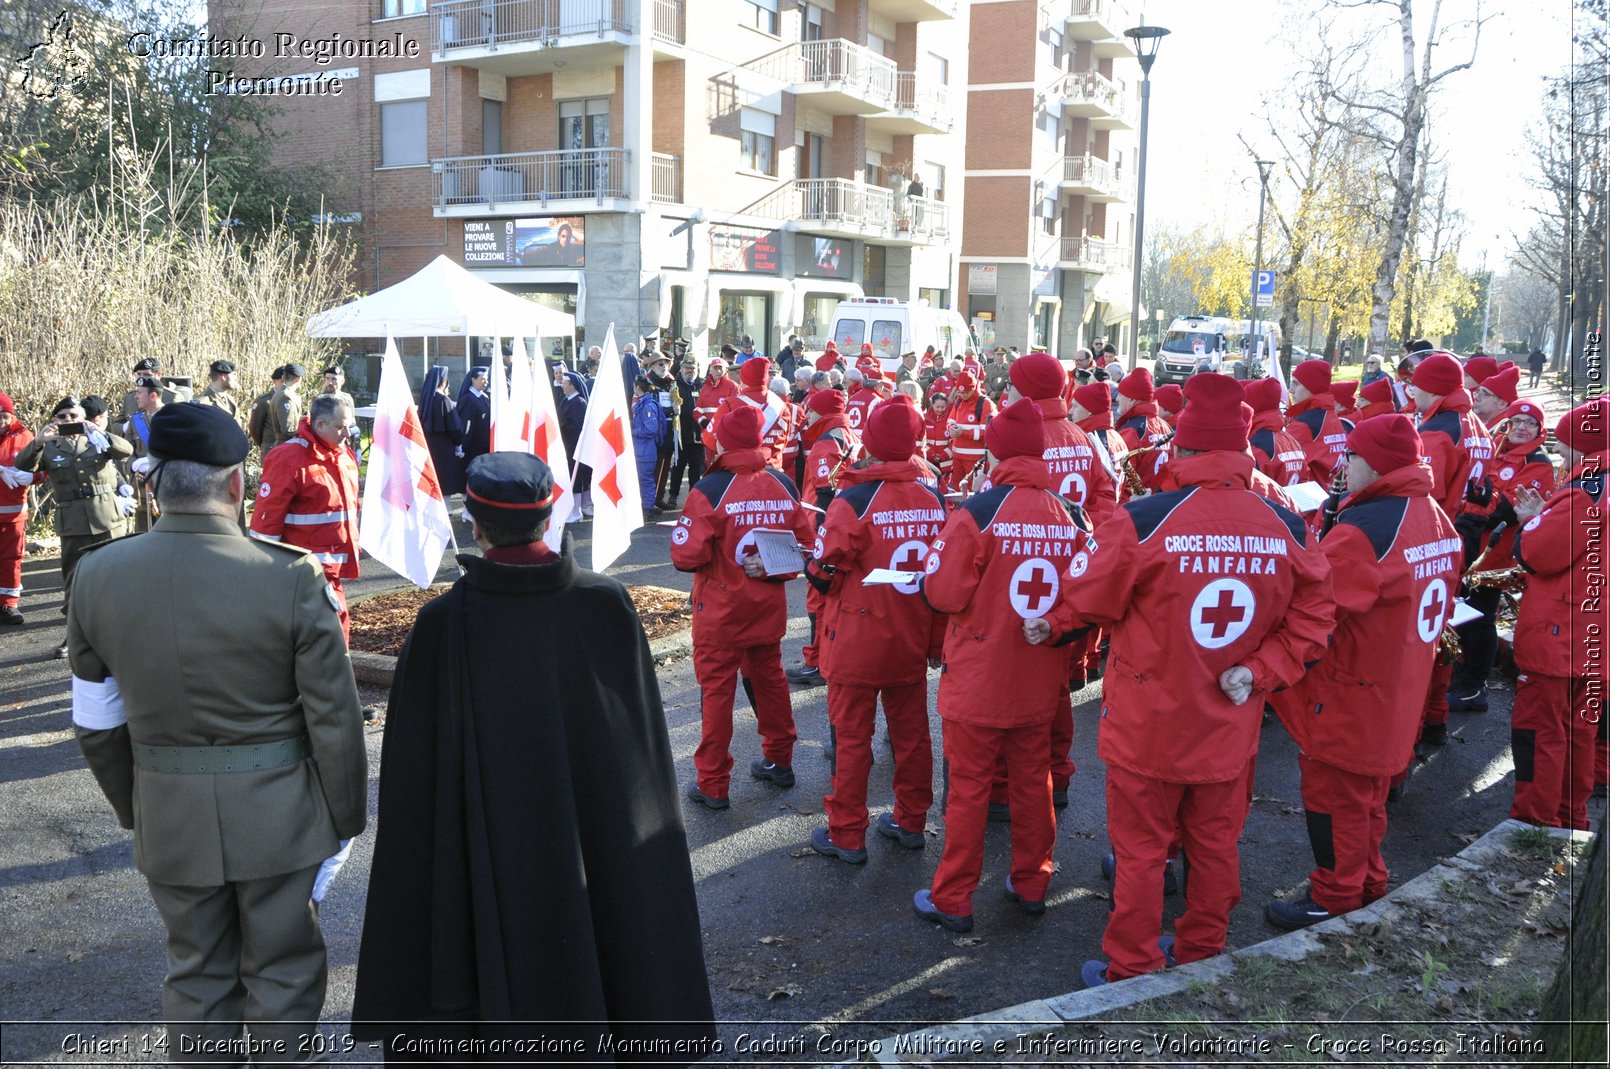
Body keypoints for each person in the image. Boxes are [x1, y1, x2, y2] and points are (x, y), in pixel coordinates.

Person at [352, 452, 716, 1062]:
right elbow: (637, 763)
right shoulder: (605, 606)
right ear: (549, 519)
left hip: (486, 855)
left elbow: (418, 785)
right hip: (596, 845)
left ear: (477, 526)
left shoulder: (444, 623)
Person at [66, 402, 365, 1061]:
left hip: (169, 813)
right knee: (283, 971)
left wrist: (138, 806)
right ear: (237, 484)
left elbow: (95, 721)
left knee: (197, 971)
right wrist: (342, 818)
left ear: (152, 484)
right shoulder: (289, 574)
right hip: (282, 815)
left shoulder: (95, 575)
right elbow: (335, 719)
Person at [1025, 373, 1333, 985]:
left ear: (1184, 451)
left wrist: (1056, 621)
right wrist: (1260, 670)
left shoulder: (1143, 522)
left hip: (1149, 721)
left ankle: (1132, 965)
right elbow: (1317, 616)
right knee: (1216, 845)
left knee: (1140, 852)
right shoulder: (1288, 526)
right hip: (1229, 719)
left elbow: (1094, 598)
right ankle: (1202, 956)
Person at [1265, 415, 1459, 929]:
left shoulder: (1366, 530)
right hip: (1401, 681)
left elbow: (1314, 603)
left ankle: (1335, 894)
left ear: (1375, 463)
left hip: (1354, 686)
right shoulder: (1433, 514)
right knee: (1369, 796)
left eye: (1351, 457)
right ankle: (1369, 878)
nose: (1344, 466)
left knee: (1336, 797)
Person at [913, 398, 1095, 933]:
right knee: (1033, 782)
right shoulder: (1072, 514)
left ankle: (954, 897)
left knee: (968, 790)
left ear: (994, 450)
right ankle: (1033, 881)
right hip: (1039, 678)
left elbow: (942, 593)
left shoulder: (978, 512)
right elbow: (1088, 597)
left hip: (979, 677)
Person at [806, 399, 944, 864]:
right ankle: (911, 820)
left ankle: (846, 832)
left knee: (851, 737)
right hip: (912, 633)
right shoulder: (934, 497)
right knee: (912, 735)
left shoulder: (853, 501)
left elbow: (824, 573)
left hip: (858, 639)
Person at [673, 406, 816, 808]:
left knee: (717, 691)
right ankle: (779, 759)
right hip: (766, 608)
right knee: (769, 680)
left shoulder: (710, 489)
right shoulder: (782, 483)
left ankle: (713, 782)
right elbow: (806, 548)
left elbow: (685, 556)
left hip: (720, 610)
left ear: (721, 440)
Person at [1507, 399, 1604, 830]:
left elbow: (1539, 554)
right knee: (1580, 732)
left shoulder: (1586, 493)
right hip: (1594, 635)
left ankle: (1534, 821)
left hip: (1560, 636)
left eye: (1566, 446)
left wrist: (1531, 520)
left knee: (1539, 731)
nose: (1560, 454)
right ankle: (1570, 816)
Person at [1406, 351, 1492, 749]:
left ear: (1432, 391)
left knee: (1425, 632)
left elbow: (1427, 493)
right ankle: (1436, 715)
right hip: (1466, 536)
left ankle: (1419, 720)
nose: (1409, 391)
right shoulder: (1475, 424)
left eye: (1415, 386)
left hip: (1438, 536)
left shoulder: (1438, 432)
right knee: (1444, 626)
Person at [1446, 398, 1554, 712]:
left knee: (1480, 619)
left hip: (1495, 556)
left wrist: (1474, 505)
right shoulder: (1496, 448)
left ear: (1538, 429)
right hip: (1471, 547)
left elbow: (1506, 510)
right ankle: (1461, 675)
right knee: (1464, 616)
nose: (1521, 427)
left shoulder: (1538, 462)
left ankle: (1474, 688)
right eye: (1516, 421)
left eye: (1529, 423)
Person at [15, 396, 132, 651]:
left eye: (74, 416)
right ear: (55, 420)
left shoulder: (97, 438)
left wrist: (101, 433)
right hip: (73, 522)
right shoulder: (50, 446)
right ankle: (76, 636)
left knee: (115, 577)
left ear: (84, 418)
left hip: (107, 518)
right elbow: (22, 465)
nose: (69, 420)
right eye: (63, 417)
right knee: (74, 581)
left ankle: (120, 634)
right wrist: (37, 442)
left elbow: (126, 451)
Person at [251, 393, 361, 640]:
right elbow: (266, 524)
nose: (347, 434)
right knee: (325, 642)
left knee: (333, 637)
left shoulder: (342, 455)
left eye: (349, 426)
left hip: (329, 570)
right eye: (341, 427)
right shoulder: (288, 458)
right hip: (303, 574)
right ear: (319, 424)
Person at [787, 388, 861, 689]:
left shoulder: (826, 443)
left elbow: (824, 496)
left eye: (813, 411)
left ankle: (816, 661)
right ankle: (826, 657)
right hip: (840, 527)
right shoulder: (849, 436)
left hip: (823, 531)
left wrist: (820, 543)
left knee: (818, 599)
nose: (809, 416)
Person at [0, 391, 36, 624]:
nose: (0, 422)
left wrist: (32, 476)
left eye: (4, 416)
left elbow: (42, 467)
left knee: (12, 559)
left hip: (13, 514)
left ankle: (8, 604)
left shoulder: (24, 437)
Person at [1284, 360, 1348, 484]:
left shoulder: (1304, 424)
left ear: (1312, 386)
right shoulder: (1330, 416)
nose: (1291, 390)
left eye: (1296, 384)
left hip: (1308, 496)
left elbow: (1282, 463)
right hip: (1328, 492)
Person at [120, 376, 165, 533]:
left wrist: (155, 461)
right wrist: (133, 464)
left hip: (166, 483)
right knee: (142, 531)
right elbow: (125, 451)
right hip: (142, 486)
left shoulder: (173, 417)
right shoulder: (136, 420)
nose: (135, 396)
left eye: (139, 392)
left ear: (153, 396)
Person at [1245, 378, 1307, 487]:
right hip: (1294, 501)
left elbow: (1253, 488)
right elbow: (1305, 478)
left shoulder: (1257, 445)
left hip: (1270, 503)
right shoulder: (1290, 439)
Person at [417, 365, 465, 498]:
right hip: (444, 447)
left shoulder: (425, 400)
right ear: (443, 382)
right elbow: (455, 428)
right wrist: (459, 443)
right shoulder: (444, 400)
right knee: (444, 479)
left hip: (428, 445)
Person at [668, 355, 707, 509]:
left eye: (692, 368)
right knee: (678, 467)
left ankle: (693, 498)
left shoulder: (702, 385)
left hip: (698, 434)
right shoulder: (674, 385)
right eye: (687, 368)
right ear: (681, 369)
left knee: (696, 468)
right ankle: (673, 495)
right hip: (681, 433)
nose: (690, 371)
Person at [946, 371, 995, 493]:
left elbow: (987, 432)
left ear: (973, 389)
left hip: (975, 460)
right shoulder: (959, 401)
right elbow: (950, 420)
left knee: (972, 491)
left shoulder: (985, 404)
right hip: (957, 457)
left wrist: (962, 433)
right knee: (956, 490)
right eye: (960, 392)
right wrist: (951, 428)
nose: (962, 395)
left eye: (965, 392)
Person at [694, 352, 739, 464]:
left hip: (725, 435)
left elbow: (737, 412)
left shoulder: (733, 386)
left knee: (725, 465)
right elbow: (697, 410)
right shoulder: (705, 387)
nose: (718, 371)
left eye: (721, 368)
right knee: (708, 466)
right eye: (715, 368)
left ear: (726, 370)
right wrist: (703, 421)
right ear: (710, 370)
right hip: (708, 434)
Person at [558, 371, 592, 517]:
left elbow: (577, 428)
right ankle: (581, 506)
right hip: (567, 446)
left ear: (572, 385)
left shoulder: (578, 402)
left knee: (577, 477)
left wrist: (562, 428)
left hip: (574, 446)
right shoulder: (566, 400)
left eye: (564, 383)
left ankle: (576, 510)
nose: (562, 386)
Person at [631, 376, 666, 516]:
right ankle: (647, 505)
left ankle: (648, 508)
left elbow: (651, 429)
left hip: (645, 450)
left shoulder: (648, 405)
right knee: (644, 479)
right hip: (643, 449)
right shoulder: (644, 403)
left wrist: (632, 431)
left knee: (646, 480)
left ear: (637, 388)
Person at [261, 362, 306, 455]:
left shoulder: (282, 393)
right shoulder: (286, 397)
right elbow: (288, 430)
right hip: (286, 447)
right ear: (298, 379)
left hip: (285, 445)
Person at [455, 366, 493, 477]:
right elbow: (465, 423)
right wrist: (462, 444)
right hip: (473, 447)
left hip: (484, 445)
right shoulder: (468, 399)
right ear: (473, 379)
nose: (486, 382)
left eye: (487, 379)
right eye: (483, 379)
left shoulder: (485, 397)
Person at [247, 365, 285, 450]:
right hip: (271, 447)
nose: (285, 385)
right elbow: (254, 429)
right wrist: (265, 445)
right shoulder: (264, 401)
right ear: (274, 381)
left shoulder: (292, 399)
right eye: (282, 381)